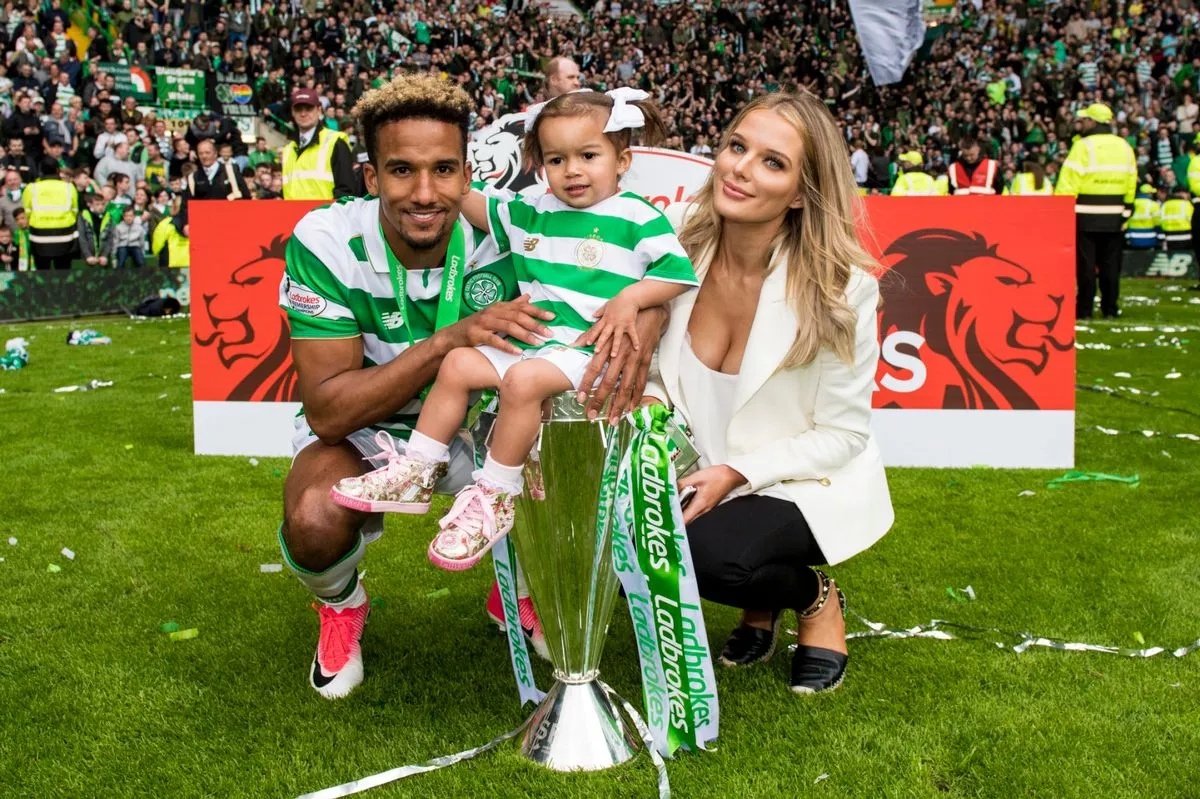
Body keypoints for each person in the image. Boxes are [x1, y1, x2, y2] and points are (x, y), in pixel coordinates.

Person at [277, 74, 668, 699]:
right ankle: (341, 604)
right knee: (315, 516)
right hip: (371, 428)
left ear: (467, 175)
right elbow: (328, 412)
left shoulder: (517, 226)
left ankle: (518, 586)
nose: (424, 192)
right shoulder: (327, 240)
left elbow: (635, 258)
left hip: (494, 419)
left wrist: (648, 314)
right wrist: (447, 341)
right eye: (401, 171)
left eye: (443, 170)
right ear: (371, 177)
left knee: (591, 505)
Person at [330, 88, 698, 572]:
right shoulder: (533, 210)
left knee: (523, 382)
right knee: (458, 363)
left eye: (588, 156)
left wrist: (632, 299)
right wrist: (443, 178)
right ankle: (417, 468)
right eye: (556, 159)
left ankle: (496, 494)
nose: (572, 171)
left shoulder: (638, 216)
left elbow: (677, 275)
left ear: (622, 160)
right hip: (539, 342)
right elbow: (473, 203)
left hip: (589, 349)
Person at [653, 92, 893, 695]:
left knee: (705, 555)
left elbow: (842, 434)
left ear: (801, 193)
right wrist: (652, 410)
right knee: (641, 532)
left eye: (772, 162)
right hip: (698, 466)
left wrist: (737, 474)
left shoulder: (842, 290)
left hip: (799, 480)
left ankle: (813, 596)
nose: (740, 169)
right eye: (737, 146)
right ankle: (757, 600)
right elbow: (656, 370)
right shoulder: (675, 239)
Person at [1055, 103, 1137, 320]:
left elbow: (1069, 182)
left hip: (1085, 215)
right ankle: (1110, 309)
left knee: (1086, 267)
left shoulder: (1083, 146)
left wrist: (1060, 210)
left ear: (1092, 121)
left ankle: (1085, 310)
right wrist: (1126, 211)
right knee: (1111, 266)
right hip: (1114, 216)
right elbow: (1131, 181)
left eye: (1084, 120)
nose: (1081, 123)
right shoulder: (1124, 146)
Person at [280, 88, 355, 200]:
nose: (303, 114)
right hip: (292, 212)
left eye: (309, 109)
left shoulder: (335, 142)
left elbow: (346, 192)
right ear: (293, 112)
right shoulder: (288, 150)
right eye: (298, 109)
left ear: (319, 110)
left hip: (324, 211)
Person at [23, 156, 79, 269]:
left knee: (42, 271)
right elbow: (75, 211)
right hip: (65, 236)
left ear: (41, 171)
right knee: (63, 271)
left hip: (39, 238)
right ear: (58, 170)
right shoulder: (69, 187)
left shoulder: (31, 188)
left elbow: (27, 212)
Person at [185, 138, 250, 200]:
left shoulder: (231, 171)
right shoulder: (193, 178)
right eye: (201, 153)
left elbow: (246, 197)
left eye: (207, 153)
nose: (204, 156)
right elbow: (186, 204)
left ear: (215, 153)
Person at [78, 191, 113, 266]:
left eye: (103, 204)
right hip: (87, 257)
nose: (100, 207)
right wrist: (88, 255)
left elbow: (110, 238)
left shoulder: (108, 216)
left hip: (104, 259)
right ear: (90, 205)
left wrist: (105, 255)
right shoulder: (83, 215)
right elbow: (82, 237)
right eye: (97, 204)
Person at [1124, 184, 1161, 250]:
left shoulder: (1132, 203)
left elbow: (1126, 221)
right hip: (1149, 238)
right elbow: (1158, 223)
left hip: (1133, 237)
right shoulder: (1154, 205)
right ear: (1149, 193)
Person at [1159, 188, 1194, 253]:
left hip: (1168, 238)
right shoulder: (1186, 204)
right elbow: (1192, 221)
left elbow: (1160, 222)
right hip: (1186, 238)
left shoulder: (1164, 205)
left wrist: (1161, 239)